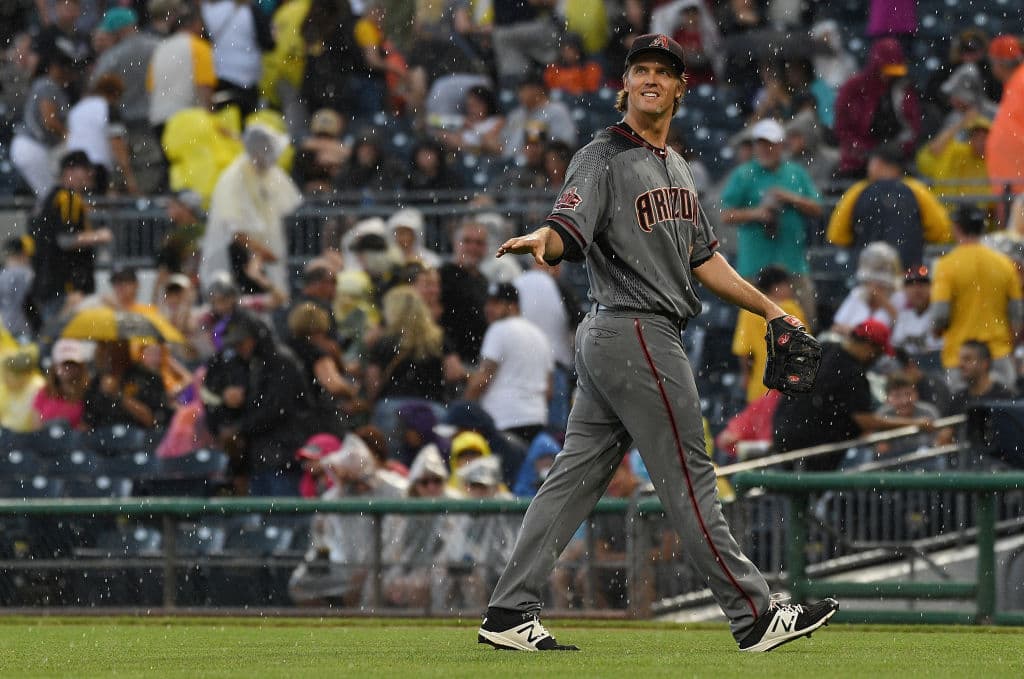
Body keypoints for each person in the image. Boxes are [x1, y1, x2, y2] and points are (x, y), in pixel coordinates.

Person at [477, 34, 838, 654]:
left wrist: (772, 308)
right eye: (640, 69)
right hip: (636, 328)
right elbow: (568, 224)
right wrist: (546, 239)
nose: (651, 78)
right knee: (690, 480)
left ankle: (509, 613)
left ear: (679, 87)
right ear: (624, 85)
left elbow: (706, 258)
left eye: (662, 71)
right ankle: (753, 615)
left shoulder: (674, 166)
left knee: (575, 477)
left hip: (619, 335)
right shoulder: (601, 156)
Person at [719, 118, 822, 320]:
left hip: (791, 262)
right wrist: (756, 213)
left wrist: (790, 198)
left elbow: (817, 208)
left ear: (781, 145)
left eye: (771, 144)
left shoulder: (795, 173)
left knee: (805, 322)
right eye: (761, 144)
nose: (766, 149)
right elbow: (725, 214)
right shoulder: (744, 174)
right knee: (753, 330)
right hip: (755, 264)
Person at [931, 206, 1023, 390]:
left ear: (956, 227)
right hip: (998, 353)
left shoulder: (947, 265)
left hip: (961, 357)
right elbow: (1017, 315)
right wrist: (1009, 346)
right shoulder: (1004, 263)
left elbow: (940, 315)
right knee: (1003, 413)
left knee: (963, 414)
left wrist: (938, 331)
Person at [826, 143, 952, 270]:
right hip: (908, 270)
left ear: (880, 164)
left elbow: (837, 235)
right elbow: (941, 231)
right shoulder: (917, 190)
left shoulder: (858, 191)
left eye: (872, 162)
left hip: (868, 272)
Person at [466, 282, 553, 444]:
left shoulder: (498, 329)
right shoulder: (540, 335)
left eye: (496, 304)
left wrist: (463, 406)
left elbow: (483, 378)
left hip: (503, 420)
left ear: (513, 306)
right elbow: (549, 390)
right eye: (488, 303)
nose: (489, 309)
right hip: (537, 420)